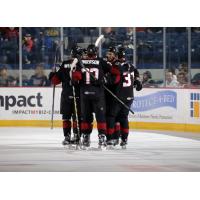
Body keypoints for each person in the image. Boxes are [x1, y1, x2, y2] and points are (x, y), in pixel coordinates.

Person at [72, 44, 112, 148]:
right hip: (98, 94)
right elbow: (111, 70)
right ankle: (102, 137)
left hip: (85, 94)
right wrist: (103, 79)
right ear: (95, 53)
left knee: (86, 117)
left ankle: (85, 137)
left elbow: (76, 77)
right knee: (100, 117)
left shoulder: (81, 62)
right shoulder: (101, 61)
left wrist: (74, 80)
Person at [106, 47, 142, 148]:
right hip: (130, 96)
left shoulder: (117, 66)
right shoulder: (130, 66)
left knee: (112, 117)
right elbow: (137, 73)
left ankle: (112, 139)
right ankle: (124, 140)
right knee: (123, 118)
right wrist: (138, 81)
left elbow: (114, 80)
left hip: (119, 97)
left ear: (117, 56)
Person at [49, 46, 82, 146]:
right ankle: (76, 136)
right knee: (77, 118)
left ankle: (67, 137)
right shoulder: (82, 64)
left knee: (66, 118)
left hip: (66, 95)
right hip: (78, 95)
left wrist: (52, 74)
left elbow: (55, 81)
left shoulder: (64, 64)